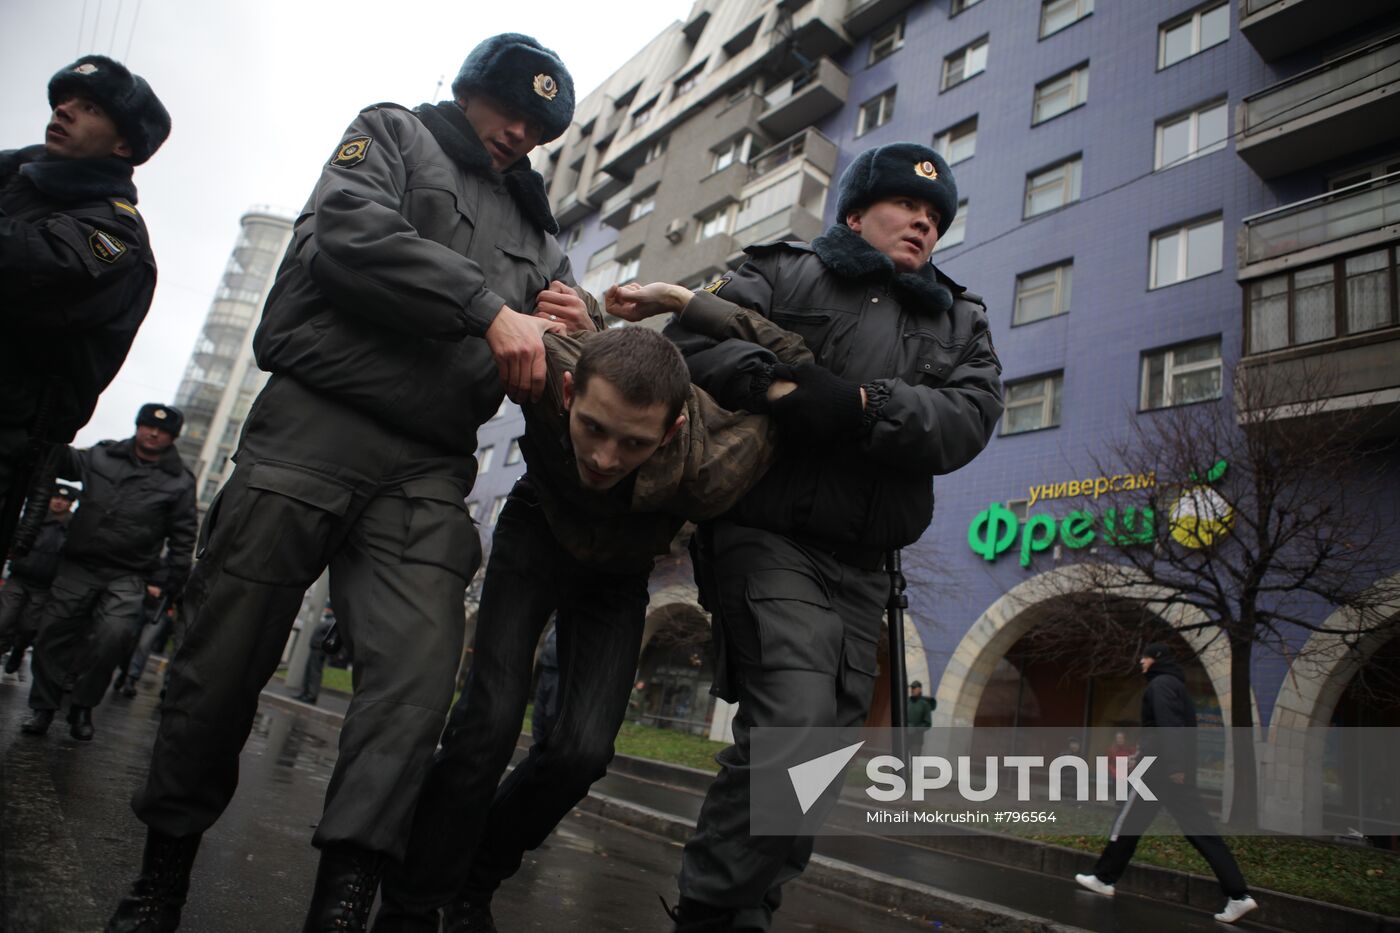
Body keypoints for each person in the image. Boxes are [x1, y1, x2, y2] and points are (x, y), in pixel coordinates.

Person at [105, 33, 584, 933]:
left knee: (413, 683)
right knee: (223, 661)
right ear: (469, 89)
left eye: (539, 125)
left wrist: (573, 323)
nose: (521, 132)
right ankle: (162, 872)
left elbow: (553, 352)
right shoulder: (394, 134)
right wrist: (488, 309)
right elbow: (349, 237)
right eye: (509, 109)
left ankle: (346, 899)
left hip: (431, 465)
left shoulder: (540, 230)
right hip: (313, 426)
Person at [614, 141, 1004, 933]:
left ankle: (744, 907)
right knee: (791, 727)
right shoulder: (785, 270)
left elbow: (969, 417)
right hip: (769, 535)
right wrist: (782, 387)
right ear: (856, 213)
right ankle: (710, 909)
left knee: (820, 758)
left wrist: (865, 407)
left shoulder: (960, 316)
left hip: (866, 566)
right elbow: (690, 339)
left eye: (936, 218)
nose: (923, 224)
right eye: (907, 208)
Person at [374, 317, 810, 933]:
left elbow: (801, 367)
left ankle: (474, 880)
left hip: (620, 573)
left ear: (672, 429)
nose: (604, 458)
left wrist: (683, 299)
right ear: (571, 392)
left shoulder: (717, 465)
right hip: (536, 532)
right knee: (486, 725)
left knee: (582, 751)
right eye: (593, 429)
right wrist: (580, 314)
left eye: (634, 443)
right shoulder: (549, 366)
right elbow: (532, 297)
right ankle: (413, 903)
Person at [1, 55, 169, 549]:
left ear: (124, 144)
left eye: (89, 107)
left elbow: (35, 267)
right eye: (63, 101)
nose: (65, 111)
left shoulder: (115, 232)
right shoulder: (14, 177)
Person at [19, 403, 196, 741]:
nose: (153, 433)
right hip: (79, 565)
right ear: (138, 426)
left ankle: (83, 706)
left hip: (128, 574)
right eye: (148, 426)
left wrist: (172, 580)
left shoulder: (179, 481)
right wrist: (50, 428)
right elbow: (62, 460)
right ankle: (43, 707)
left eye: (162, 431)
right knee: (52, 634)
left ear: (172, 437)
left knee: (112, 639)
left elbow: (184, 535)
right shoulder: (101, 456)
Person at [1074, 644, 1259, 925]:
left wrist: (1172, 767)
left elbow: (1168, 725)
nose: (1141, 662)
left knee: (1126, 821)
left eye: (1145, 657)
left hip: (1159, 773)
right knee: (1202, 833)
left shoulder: (1160, 685)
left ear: (1157, 659)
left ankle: (1103, 877)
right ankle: (1239, 896)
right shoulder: (1176, 686)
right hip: (1171, 772)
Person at [0, 482, 78, 676]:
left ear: (70, 504)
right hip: (19, 577)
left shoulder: (73, 528)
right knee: (3, 619)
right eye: (56, 497)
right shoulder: (34, 519)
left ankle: (18, 649)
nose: (59, 502)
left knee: (28, 627)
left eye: (64, 500)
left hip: (45, 586)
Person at [294, 606, 339, 705]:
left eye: (328, 608)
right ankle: (305, 693)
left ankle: (311, 695)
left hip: (319, 650)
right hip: (315, 648)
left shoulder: (333, 621)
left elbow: (331, 637)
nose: (326, 610)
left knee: (314, 672)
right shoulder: (328, 619)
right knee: (309, 671)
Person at [530, 621, 559, 743]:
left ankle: (547, 747)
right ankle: (538, 745)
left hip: (558, 673)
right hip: (545, 670)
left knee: (551, 714)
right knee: (538, 714)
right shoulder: (553, 623)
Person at [906, 680, 934, 759]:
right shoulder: (907, 701)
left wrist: (915, 729)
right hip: (904, 736)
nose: (912, 690)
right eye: (912, 688)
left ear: (920, 689)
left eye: (914, 688)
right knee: (899, 760)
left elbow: (928, 724)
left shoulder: (925, 704)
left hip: (916, 740)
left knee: (915, 762)